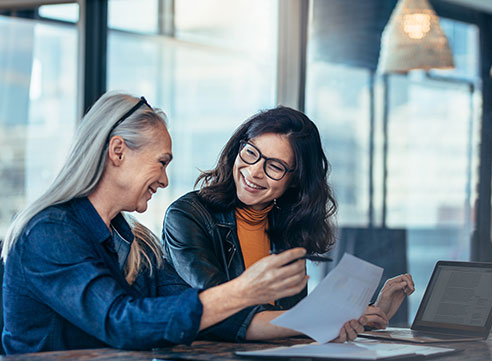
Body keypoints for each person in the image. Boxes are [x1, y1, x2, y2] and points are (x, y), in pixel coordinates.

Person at [0, 93, 361, 361]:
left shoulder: (129, 237)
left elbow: (203, 313)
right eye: (161, 162)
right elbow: (121, 321)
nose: (165, 180)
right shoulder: (49, 232)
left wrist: (322, 322)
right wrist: (242, 291)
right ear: (118, 151)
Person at [162, 106, 415, 341]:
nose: (254, 171)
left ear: (295, 180)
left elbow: (292, 321)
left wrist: (366, 315)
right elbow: (220, 310)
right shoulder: (188, 215)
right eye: (250, 152)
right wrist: (322, 320)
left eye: (275, 166)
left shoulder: (288, 226)